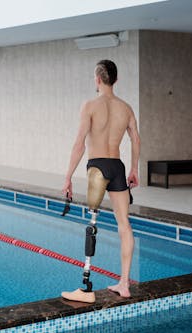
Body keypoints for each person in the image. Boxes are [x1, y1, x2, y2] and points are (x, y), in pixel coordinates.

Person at [61, 59, 140, 301]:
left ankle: (85, 289)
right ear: (115, 80)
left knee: (92, 222)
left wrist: (68, 177)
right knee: (124, 225)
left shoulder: (90, 105)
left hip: (97, 167)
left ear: (97, 79)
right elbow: (136, 140)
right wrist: (134, 169)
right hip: (117, 166)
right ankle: (124, 284)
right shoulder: (126, 108)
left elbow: (79, 144)